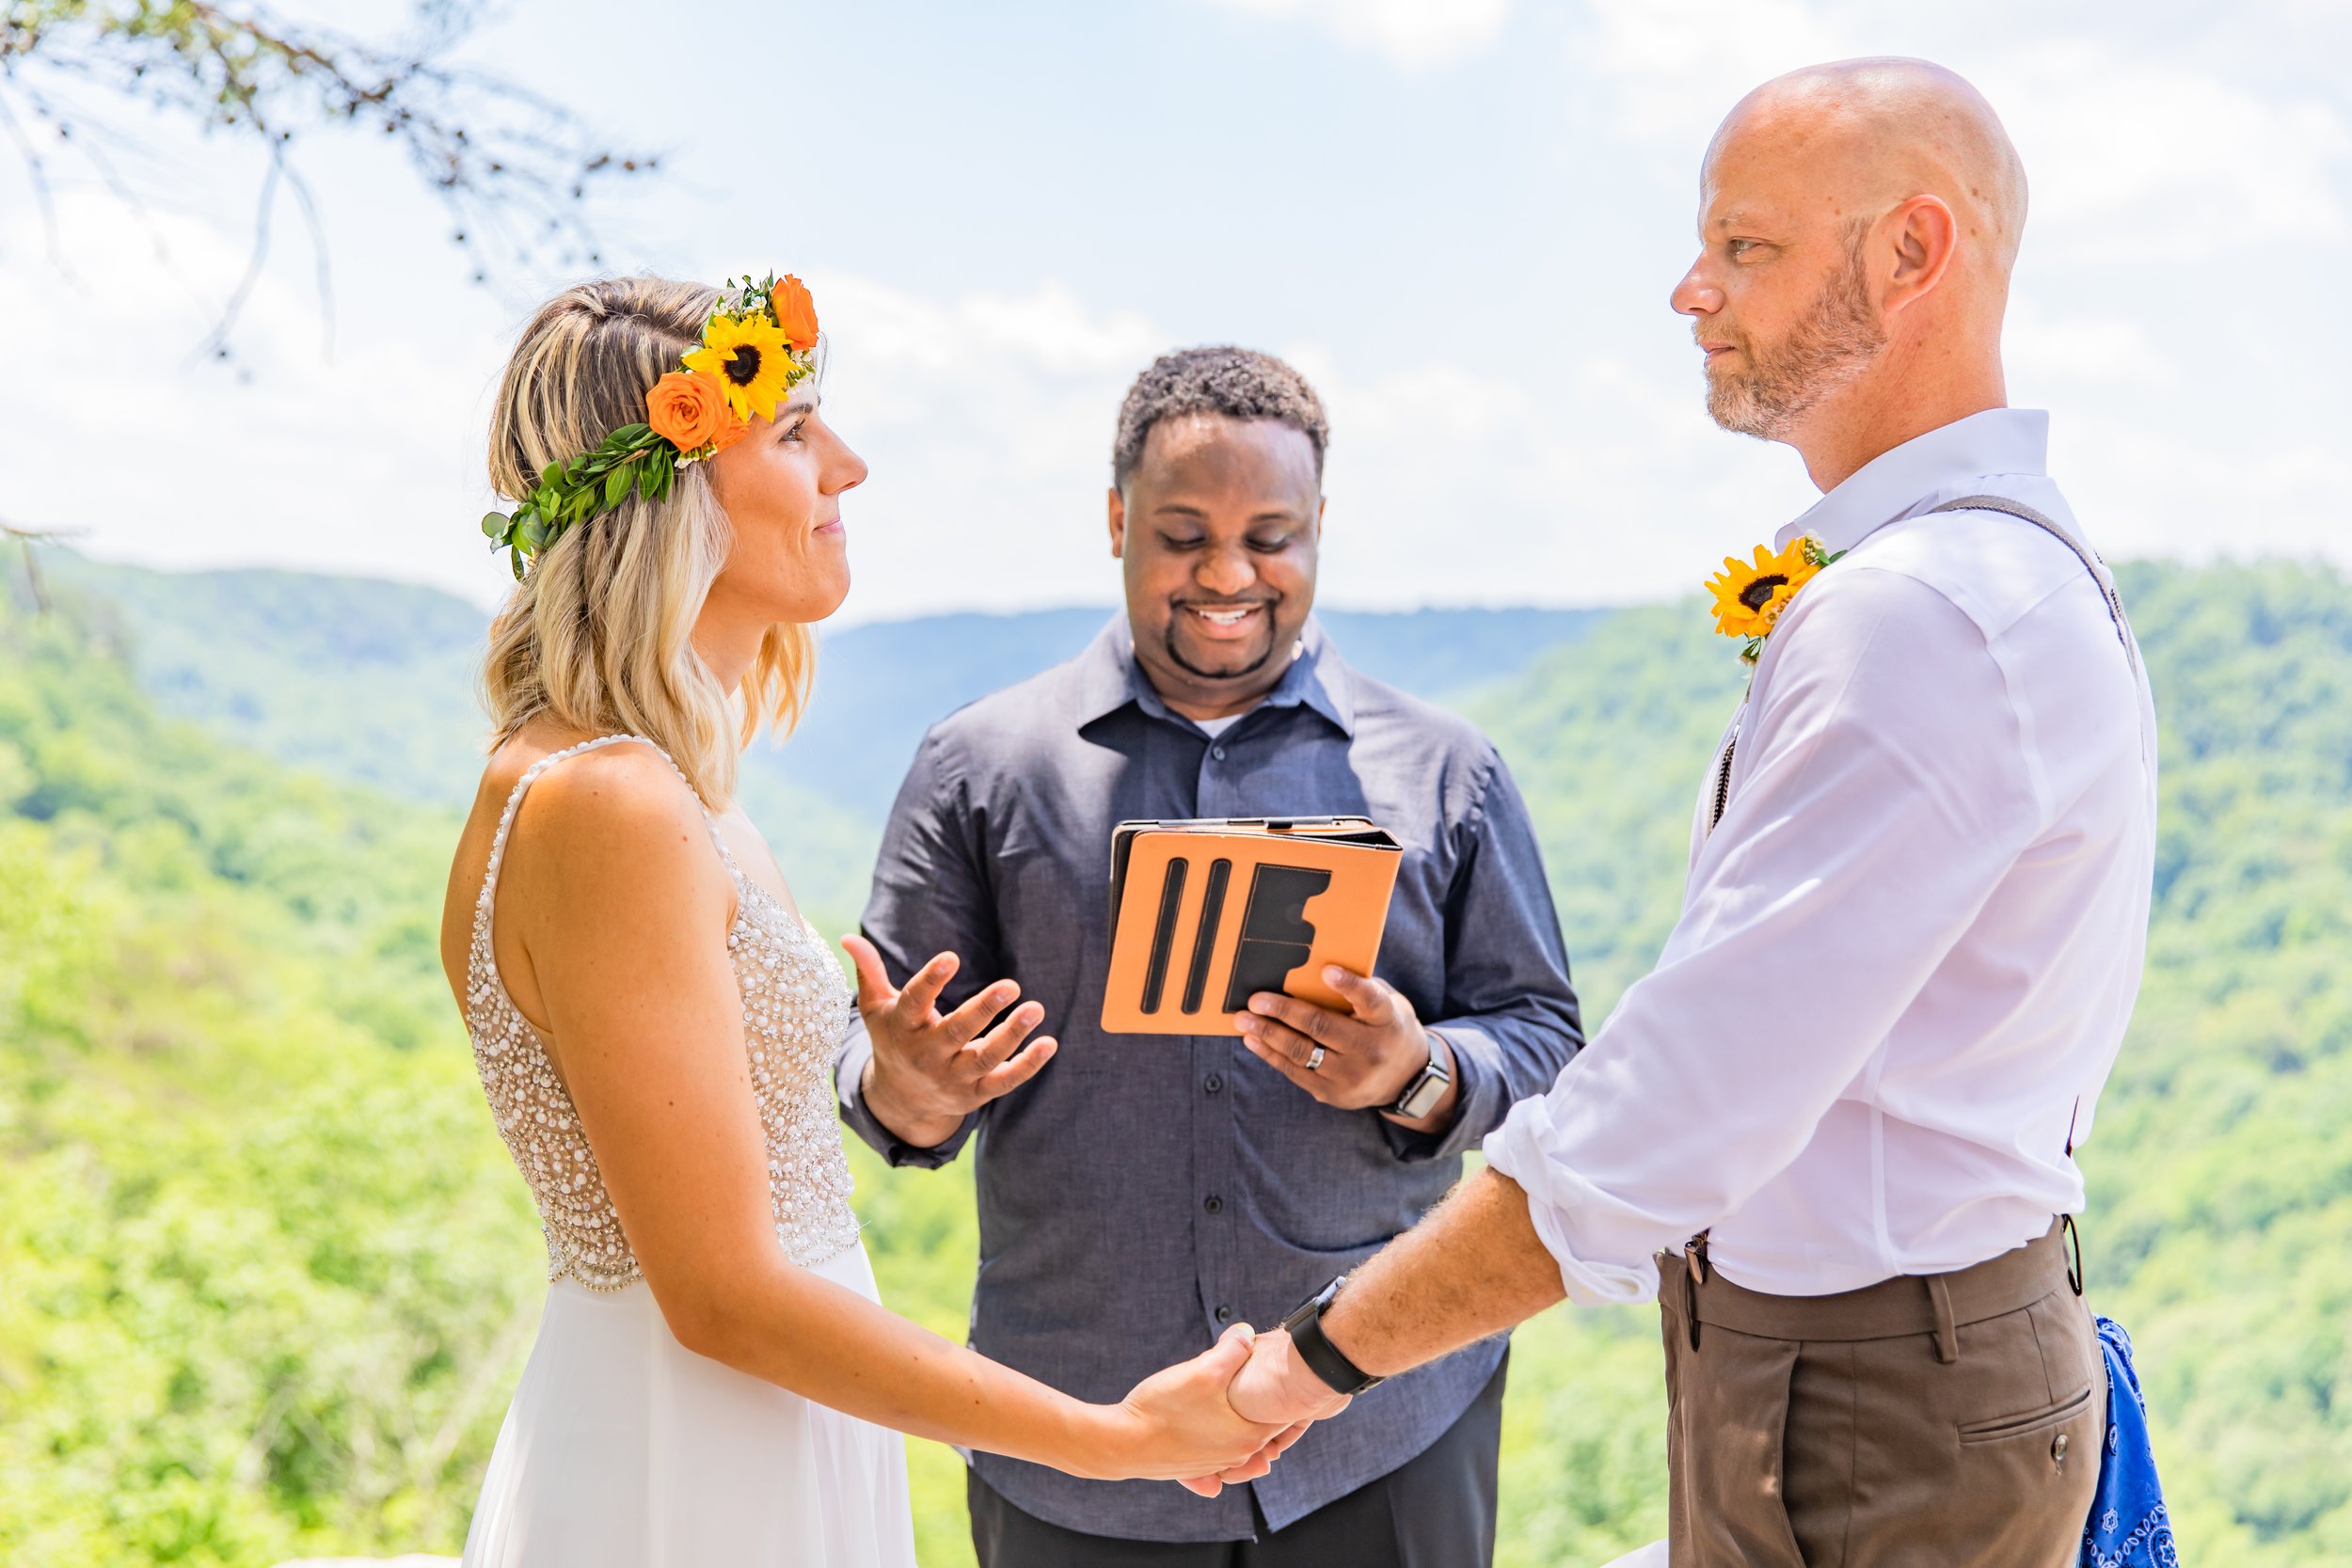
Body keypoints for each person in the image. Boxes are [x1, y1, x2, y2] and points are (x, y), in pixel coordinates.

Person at [1224, 58, 2160, 1568]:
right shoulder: (1993, 578)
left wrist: (1314, 1359)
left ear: (1912, 253)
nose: (1690, 291)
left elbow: (1673, 1109)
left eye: (1746, 247)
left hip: (1869, 1411)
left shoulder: (1923, 616)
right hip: (1887, 1376)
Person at [437, 276, 1306, 1568]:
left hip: (762, 1431)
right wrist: (1110, 1436)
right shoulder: (611, 805)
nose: (847, 463)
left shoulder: (672, 794)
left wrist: (884, 1078)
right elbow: (725, 1297)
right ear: (665, 494)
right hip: (695, 1466)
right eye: (793, 434)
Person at [834, 345, 1585, 1565]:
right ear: (1117, 519)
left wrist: (1415, 1071)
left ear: (1321, 530)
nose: (1229, 574)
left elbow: (1549, 1045)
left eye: (1271, 536)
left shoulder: (1450, 772)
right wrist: (909, 1093)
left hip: (1384, 1428)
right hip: (1075, 1436)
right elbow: (895, 1088)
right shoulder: (977, 767)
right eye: (1184, 533)